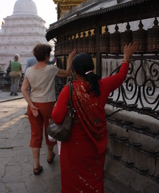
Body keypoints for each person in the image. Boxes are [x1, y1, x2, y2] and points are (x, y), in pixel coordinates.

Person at [51, 43, 137, 192]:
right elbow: (120, 77)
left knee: (73, 182)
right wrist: (126, 58)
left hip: (74, 147)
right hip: (95, 144)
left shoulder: (69, 90)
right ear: (92, 68)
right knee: (94, 179)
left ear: (75, 72)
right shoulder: (102, 86)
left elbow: (57, 118)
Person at [21, 43, 76, 176]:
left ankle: (36, 165)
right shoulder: (51, 69)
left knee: (35, 134)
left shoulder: (29, 71)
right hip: (48, 104)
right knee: (49, 131)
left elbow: (23, 89)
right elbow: (68, 73)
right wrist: (70, 59)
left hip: (33, 105)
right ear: (46, 56)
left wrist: (31, 104)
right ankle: (50, 155)